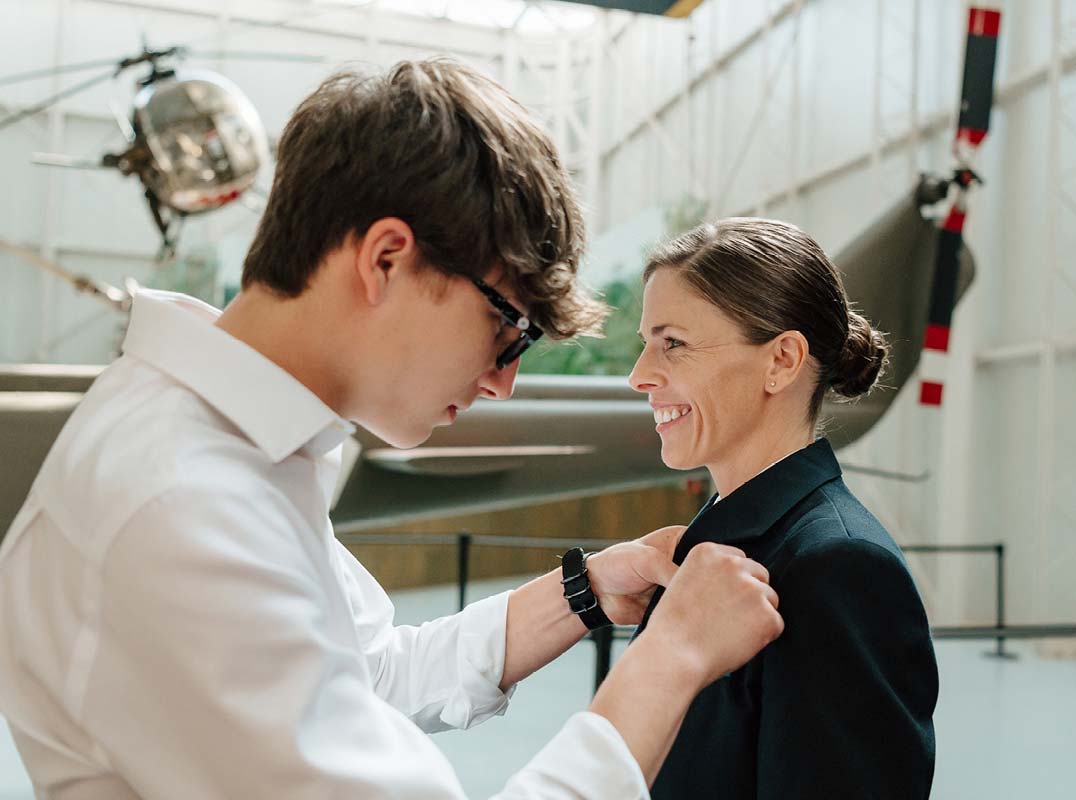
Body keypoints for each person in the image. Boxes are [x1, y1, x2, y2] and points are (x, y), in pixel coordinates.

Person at [0, 62, 783, 799]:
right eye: (507, 325)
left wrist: (583, 595)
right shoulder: (181, 503)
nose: (502, 381)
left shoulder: (234, 449)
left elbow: (364, 676)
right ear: (385, 260)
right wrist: (672, 659)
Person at [629, 217, 939, 799]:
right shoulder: (723, 540)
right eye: (645, 343)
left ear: (781, 361)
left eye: (673, 343)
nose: (639, 375)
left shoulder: (836, 568)